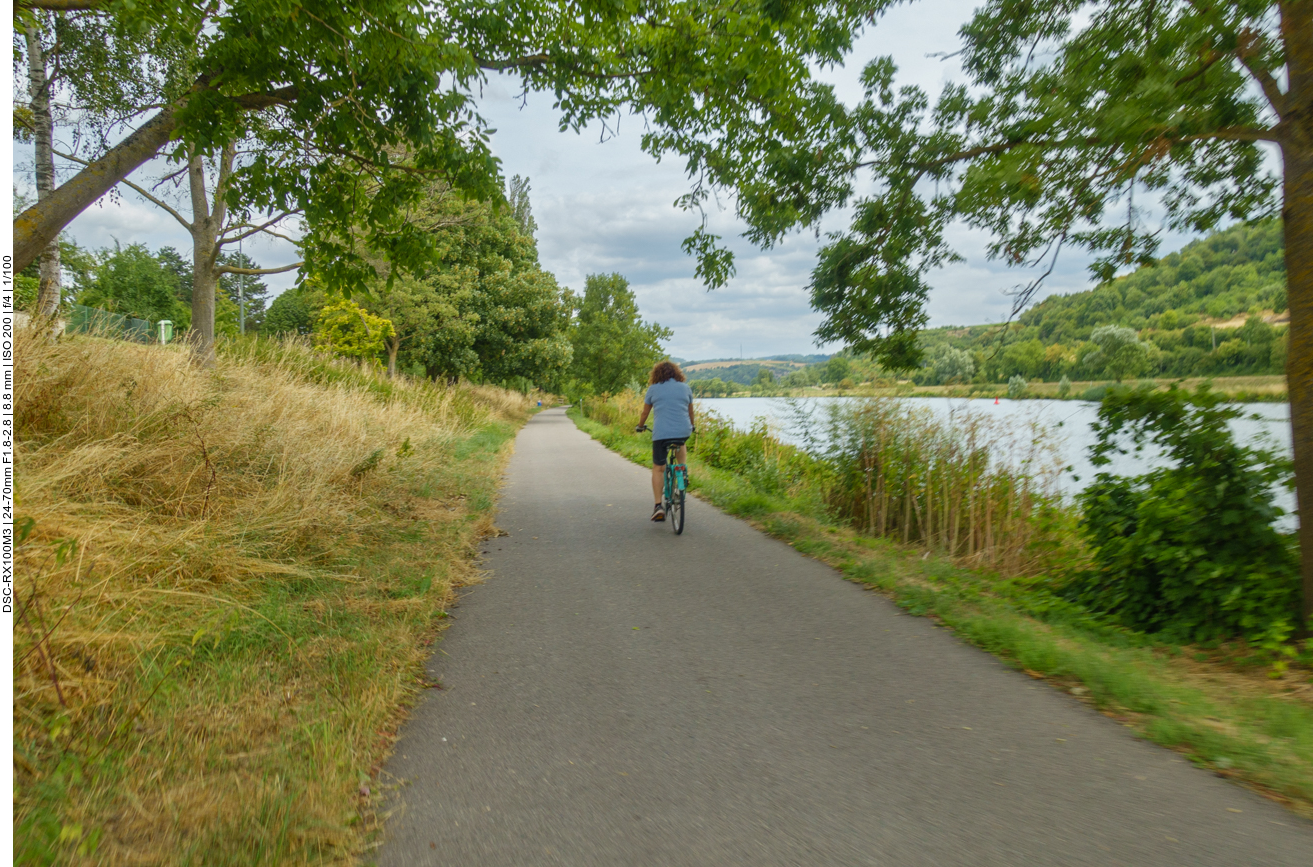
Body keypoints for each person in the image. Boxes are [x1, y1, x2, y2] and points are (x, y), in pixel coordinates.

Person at [635, 360, 695, 521]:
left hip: (661, 434)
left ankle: (658, 506)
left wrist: (640, 426)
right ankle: (682, 470)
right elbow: (691, 413)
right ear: (677, 373)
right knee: (681, 443)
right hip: (683, 431)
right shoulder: (685, 388)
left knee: (658, 468)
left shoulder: (653, 389)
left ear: (657, 374)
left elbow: (645, 413)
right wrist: (692, 426)